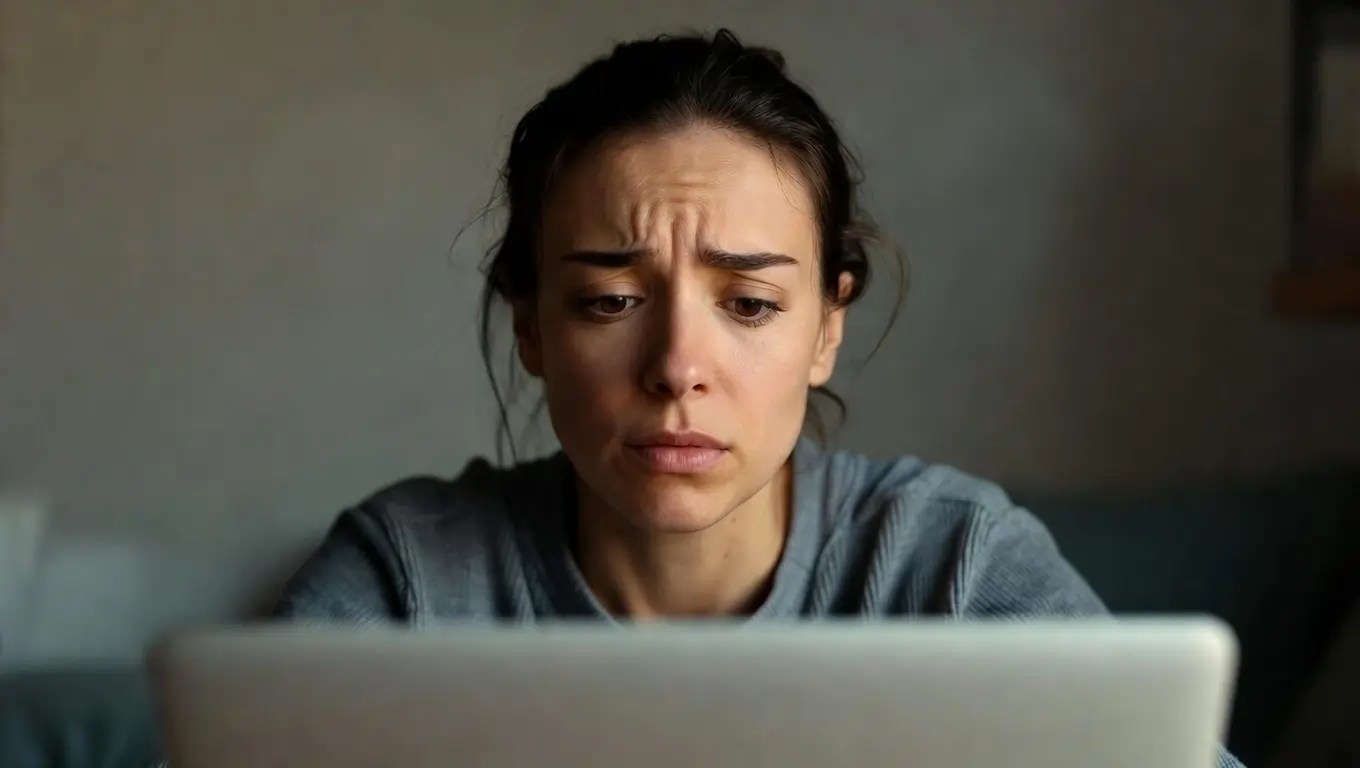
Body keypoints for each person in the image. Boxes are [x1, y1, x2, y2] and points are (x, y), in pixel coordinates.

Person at [274, 30, 1243, 767]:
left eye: (748, 304)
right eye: (610, 301)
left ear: (826, 329)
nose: (677, 367)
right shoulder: (409, 581)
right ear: (530, 327)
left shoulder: (950, 567)